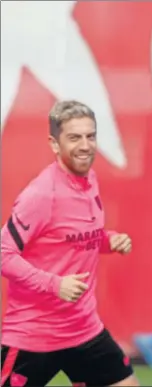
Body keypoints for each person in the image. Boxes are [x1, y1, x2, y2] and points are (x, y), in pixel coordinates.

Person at [1, 100, 139, 387]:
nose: (85, 145)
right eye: (75, 137)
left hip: (84, 330)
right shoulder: (41, 194)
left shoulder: (90, 179)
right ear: (54, 144)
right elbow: (4, 254)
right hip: (34, 336)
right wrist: (55, 284)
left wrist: (110, 240)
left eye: (91, 136)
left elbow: (75, 237)